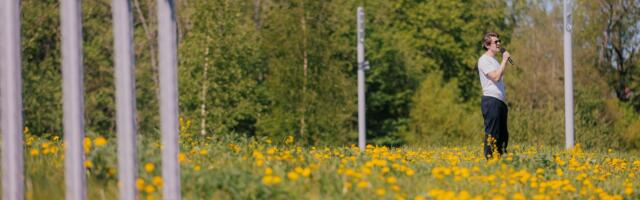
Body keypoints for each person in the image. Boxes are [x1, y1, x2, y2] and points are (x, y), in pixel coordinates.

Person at [477, 32, 510, 159]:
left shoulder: (495, 61)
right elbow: (495, 77)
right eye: (495, 42)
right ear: (487, 45)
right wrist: (504, 61)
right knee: (492, 133)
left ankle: (500, 160)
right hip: (491, 101)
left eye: (499, 41)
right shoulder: (484, 60)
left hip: (500, 102)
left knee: (503, 134)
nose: (498, 44)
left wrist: (502, 62)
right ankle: (490, 160)